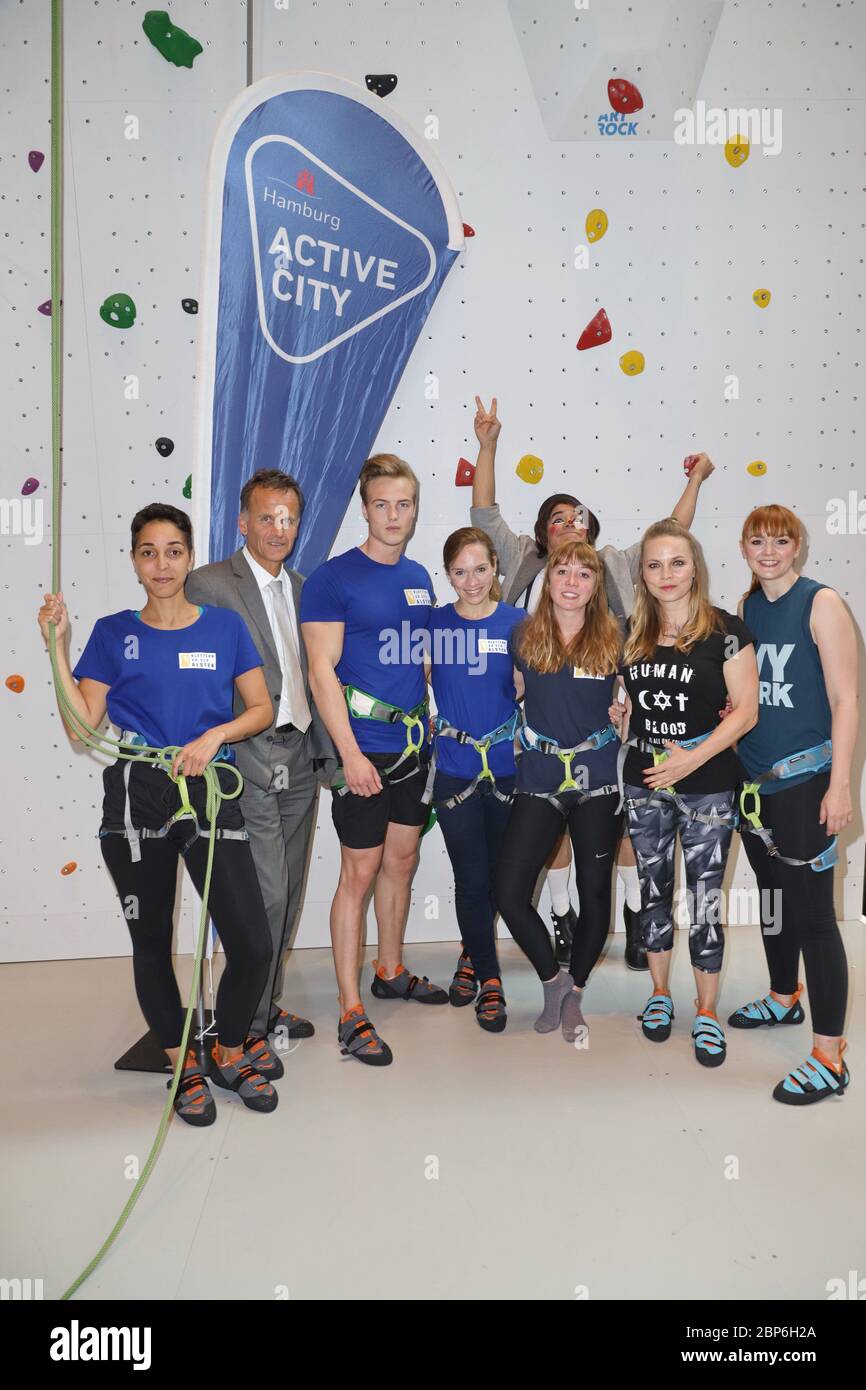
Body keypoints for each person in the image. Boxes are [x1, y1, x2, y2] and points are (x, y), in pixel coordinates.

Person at [37, 504, 280, 1125]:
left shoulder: (223, 629)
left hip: (208, 790)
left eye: (174, 550)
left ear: (189, 556)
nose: (162, 564)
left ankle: (226, 1049)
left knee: (252, 942)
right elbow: (81, 725)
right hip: (137, 800)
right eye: (149, 552)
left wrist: (213, 736)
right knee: (152, 941)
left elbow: (261, 710)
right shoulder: (115, 634)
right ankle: (181, 1066)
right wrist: (56, 650)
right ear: (134, 561)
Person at [469, 395, 716, 972]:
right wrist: (486, 446)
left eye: (577, 516)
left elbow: (670, 532)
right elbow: (483, 516)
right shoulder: (524, 561)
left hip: (611, 723)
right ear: (543, 534)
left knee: (617, 823)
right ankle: (561, 916)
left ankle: (631, 914)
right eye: (557, 518)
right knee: (543, 833)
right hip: (534, 732)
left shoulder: (612, 564)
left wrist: (697, 479)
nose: (568, 525)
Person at [186, 469, 337, 1075]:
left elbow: (317, 674)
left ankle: (264, 1007)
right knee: (266, 894)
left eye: (289, 518)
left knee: (292, 891)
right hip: (245, 757)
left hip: (301, 755)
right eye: (266, 517)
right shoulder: (208, 584)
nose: (279, 528)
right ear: (242, 522)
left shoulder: (306, 588)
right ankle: (240, 1028)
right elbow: (194, 669)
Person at [301, 455, 448, 1067]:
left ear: (415, 509)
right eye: (383, 504)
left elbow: (422, 658)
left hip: (414, 748)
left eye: (404, 504)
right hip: (362, 753)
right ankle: (349, 1007)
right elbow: (320, 671)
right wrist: (351, 755)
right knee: (356, 876)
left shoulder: (418, 575)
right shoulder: (332, 580)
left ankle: (390, 968)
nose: (394, 515)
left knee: (403, 861)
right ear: (365, 508)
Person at [614, 519, 759, 1068]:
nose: (666, 574)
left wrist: (691, 759)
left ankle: (705, 1011)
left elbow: (746, 710)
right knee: (652, 891)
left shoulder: (727, 631)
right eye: (654, 564)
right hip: (646, 781)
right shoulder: (632, 631)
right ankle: (658, 995)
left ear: (694, 565)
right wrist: (620, 710)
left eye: (676, 562)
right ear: (643, 574)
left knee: (704, 900)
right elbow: (626, 697)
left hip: (707, 784)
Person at [728, 505, 856, 1104]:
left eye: (781, 540)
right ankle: (784, 997)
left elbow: (846, 699)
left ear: (798, 546)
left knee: (815, 919)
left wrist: (840, 785)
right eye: (759, 540)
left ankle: (829, 1057)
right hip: (755, 787)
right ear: (744, 547)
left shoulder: (822, 603)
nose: (770, 550)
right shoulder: (747, 607)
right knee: (774, 900)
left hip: (807, 784)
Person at [494, 540, 624, 1042]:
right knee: (508, 891)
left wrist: (627, 714)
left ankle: (577, 991)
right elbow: (499, 691)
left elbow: (640, 701)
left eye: (583, 574)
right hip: (541, 776)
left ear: (596, 586)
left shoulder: (617, 637)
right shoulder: (522, 635)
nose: (571, 582)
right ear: (547, 581)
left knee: (594, 891)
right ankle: (553, 980)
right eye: (562, 571)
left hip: (598, 776)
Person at [426, 527, 524, 1032]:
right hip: (456, 768)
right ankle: (489, 978)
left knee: (500, 877)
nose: (471, 581)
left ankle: (471, 952)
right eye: (459, 572)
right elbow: (407, 682)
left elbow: (541, 686)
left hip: (509, 768)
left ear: (496, 571)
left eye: (480, 570)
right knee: (470, 875)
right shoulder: (434, 625)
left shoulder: (518, 622)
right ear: (448, 575)